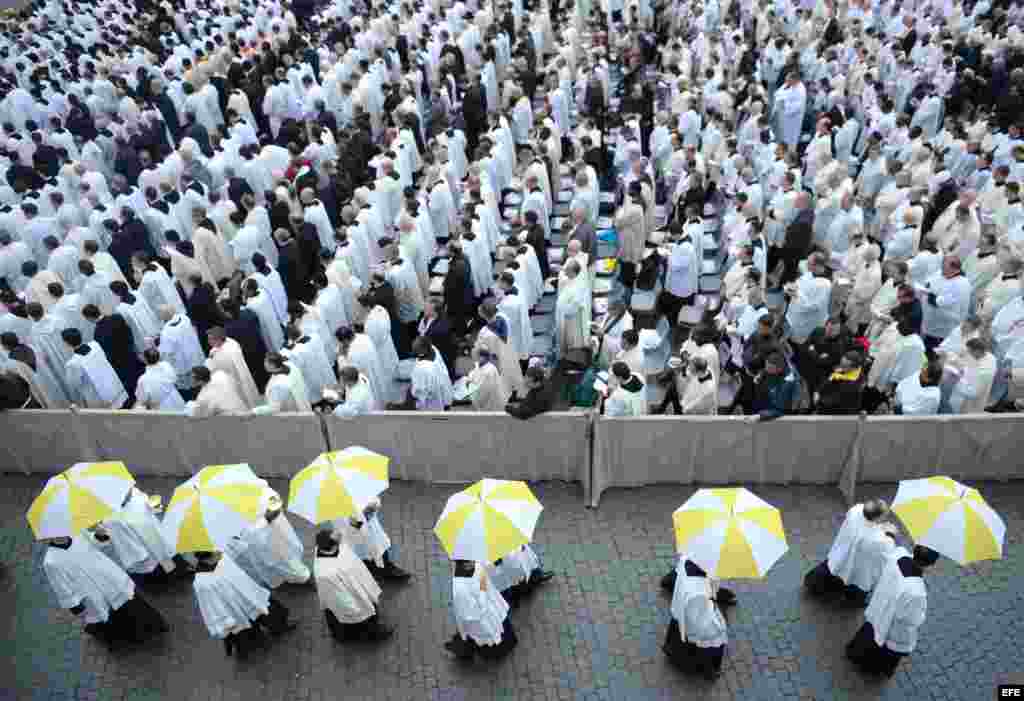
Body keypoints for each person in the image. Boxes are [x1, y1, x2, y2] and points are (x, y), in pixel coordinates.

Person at [42, 534, 169, 649]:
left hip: (110, 579)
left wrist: (100, 535)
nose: (59, 534)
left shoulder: (79, 535)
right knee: (109, 617)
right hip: (91, 594)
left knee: (131, 605)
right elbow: (60, 585)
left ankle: (151, 628)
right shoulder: (51, 561)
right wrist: (75, 606)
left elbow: (99, 543)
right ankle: (129, 639)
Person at [846, 545, 940, 677]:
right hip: (890, 626)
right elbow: (912, 619)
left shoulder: (898, 554)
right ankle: (873, 669)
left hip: (878, 606)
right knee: (884, 649)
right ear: (931, 564)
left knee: (869, 632)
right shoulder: (917, 592)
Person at [192, 551, 296, 659]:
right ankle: (252, 643)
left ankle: (278, 626)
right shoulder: (202, 581)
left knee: (267, 612)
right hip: (233, 610)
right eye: (216, 551)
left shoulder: (223, 560)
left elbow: (241, 576)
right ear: (209, 557)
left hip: (249, 597)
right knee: (246, 635)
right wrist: (225, 621)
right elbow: (211, 605)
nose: (220, 551)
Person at [804, 499, 895, 606]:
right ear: (877, 518)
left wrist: (878, 527)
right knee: (857, 586)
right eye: (883, 516)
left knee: (831, 570)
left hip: (840, 557)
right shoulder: (879, 540)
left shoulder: (855, 510)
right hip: (859, 571)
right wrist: (890, 533)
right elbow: (887, 548)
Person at [313, 530, 393, 643]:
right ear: (333, 546)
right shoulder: (325, 574)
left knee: (366, 610)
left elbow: (350, 535)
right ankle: (372, 634)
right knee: (363, 618)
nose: (340, 537)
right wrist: (354, 611)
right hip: (352, 597)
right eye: (337, 538)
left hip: (356, 587)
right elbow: (339, 598)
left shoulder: (327, 548)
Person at [224, 496, 311, 588]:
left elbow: (273, 503)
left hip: (261, 530)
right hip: (256, 533)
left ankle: (293, 574)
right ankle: (294, 575)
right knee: (271, 556)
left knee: (277, 555)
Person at [663, 559, 728, 680]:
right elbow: (702, 619)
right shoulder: (701, 591)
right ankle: (709, 668)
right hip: (696, 617)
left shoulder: (685, 561)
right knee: (718, 632)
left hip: (681, 607)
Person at [444, 559, 517, 660]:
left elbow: (483, 578)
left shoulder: (472, 570)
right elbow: (467, 612)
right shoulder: (462, 584)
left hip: (487, 612)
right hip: (486, 614)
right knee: (495, 632)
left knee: (495, 632)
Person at [331, 499, 411, 581]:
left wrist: (373, 505)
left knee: (376, 540)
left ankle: (383, 566)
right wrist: (362, 519)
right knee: (363, 545)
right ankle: (375, 568)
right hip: (353, 525)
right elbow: (347, 523)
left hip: (363, 518)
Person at [62, 328, 129, 409]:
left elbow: (73, 385)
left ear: (67, 343)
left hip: (102, 399)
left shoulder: (73, 364)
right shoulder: (95, 345)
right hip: (116, 389)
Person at [206, 327, 260, 409]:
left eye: (210, 339)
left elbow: (218, 369)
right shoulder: (224, 345)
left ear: (219, 339)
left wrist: (210, 361)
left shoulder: (229, 351)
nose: (208, 341)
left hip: (236, 381)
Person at [186, 366, 251, 417]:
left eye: (191, 378)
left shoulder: (202, 398)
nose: (189, 380)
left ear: (200, 381)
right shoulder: (220, 374)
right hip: (243, 408)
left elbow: (197, 415)